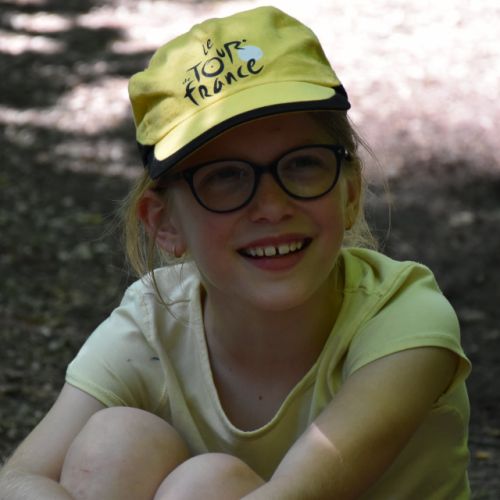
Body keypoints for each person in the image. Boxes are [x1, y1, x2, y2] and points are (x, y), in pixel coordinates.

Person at [0, 6, 471, 499]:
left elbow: (292, 493)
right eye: (224, 177)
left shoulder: (405, 319)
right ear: (164, 223)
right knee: (114, 442)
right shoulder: (155, 321)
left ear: (350, 192)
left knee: (204, 485)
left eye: (302, 165)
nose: (271, 207)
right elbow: (18, 479)